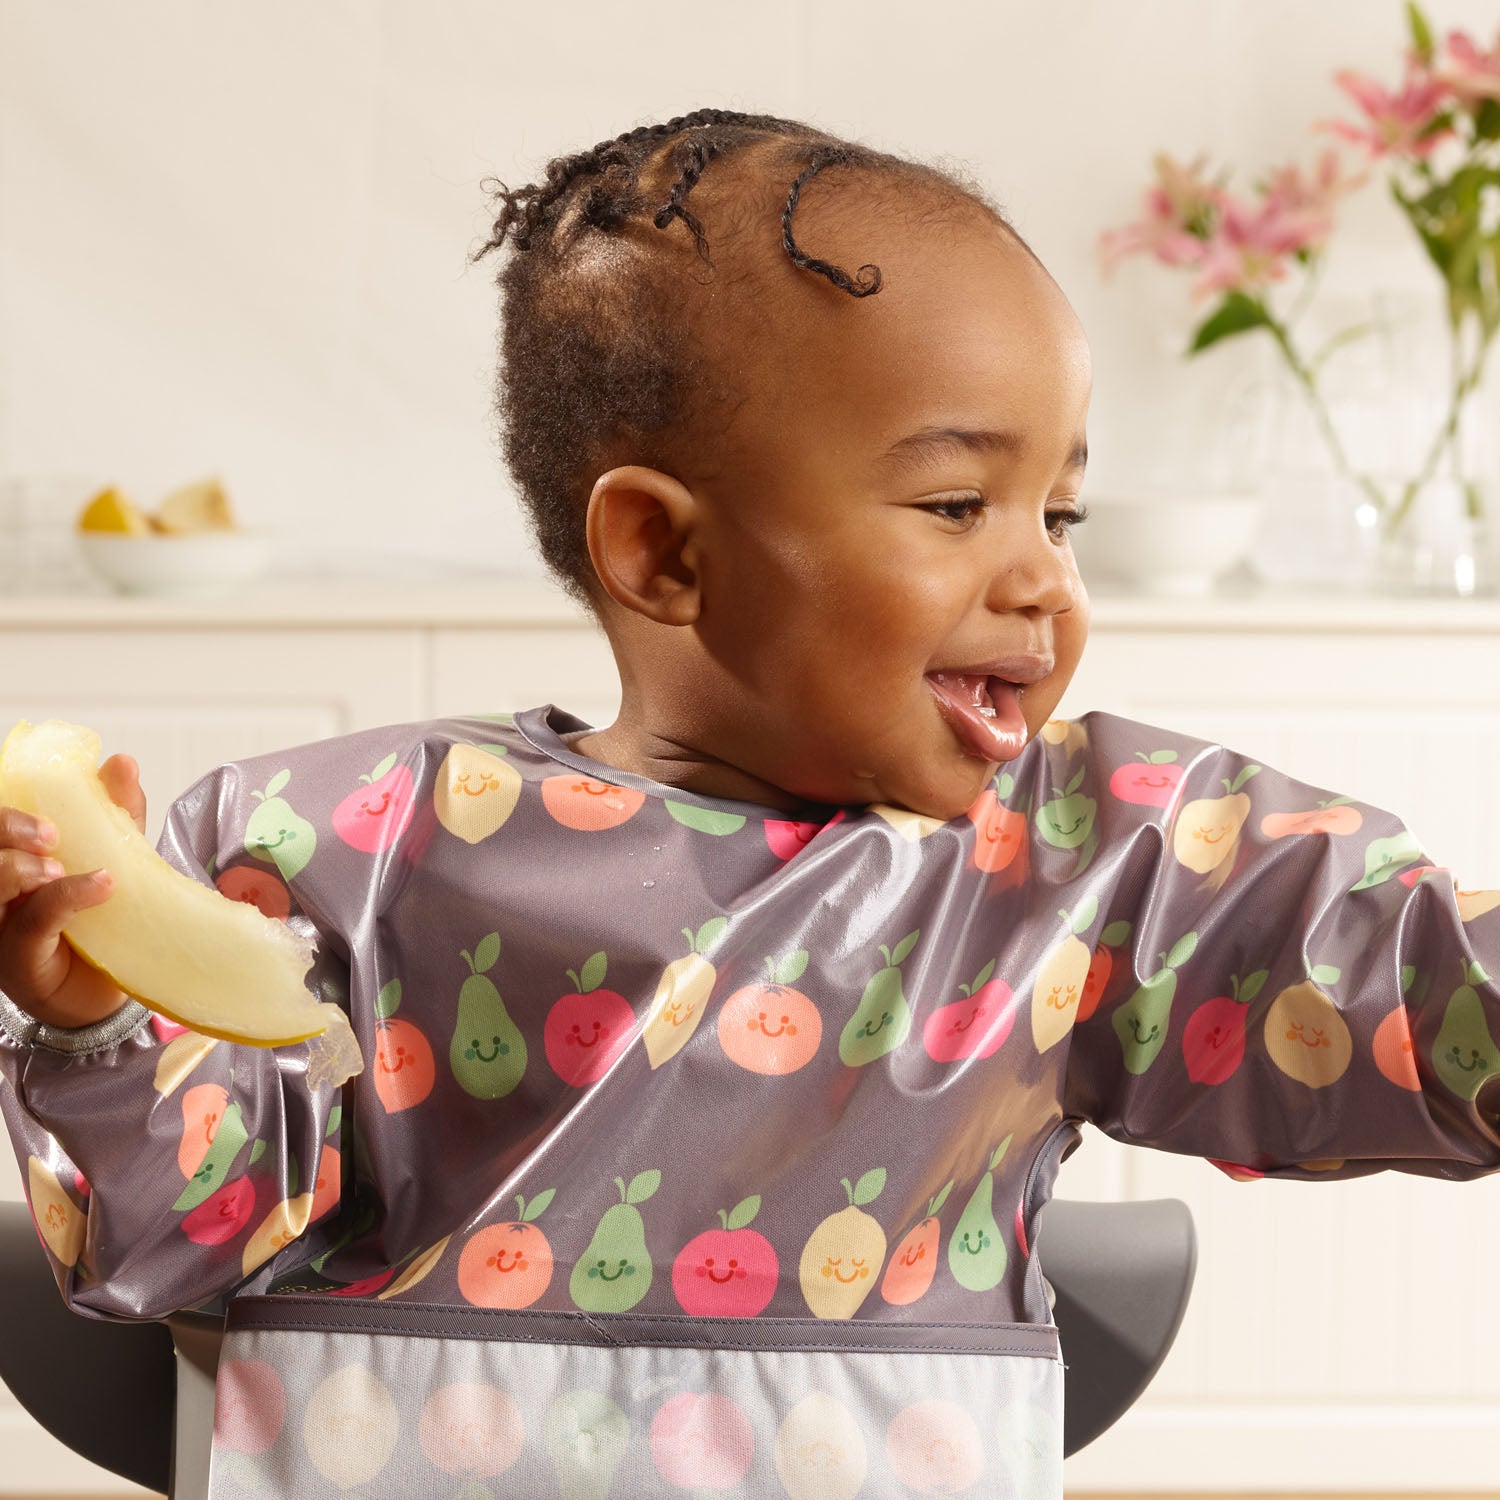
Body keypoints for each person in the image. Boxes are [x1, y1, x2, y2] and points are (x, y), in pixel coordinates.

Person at [0, 108, 1496, 1500]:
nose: (1043, 577)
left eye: (1063, 512)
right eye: (959, 505)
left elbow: (1404, 988)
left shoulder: (1087, 868)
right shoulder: (341, 848)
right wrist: (99, 1024)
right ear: (664, 553)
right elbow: (174, 1236)